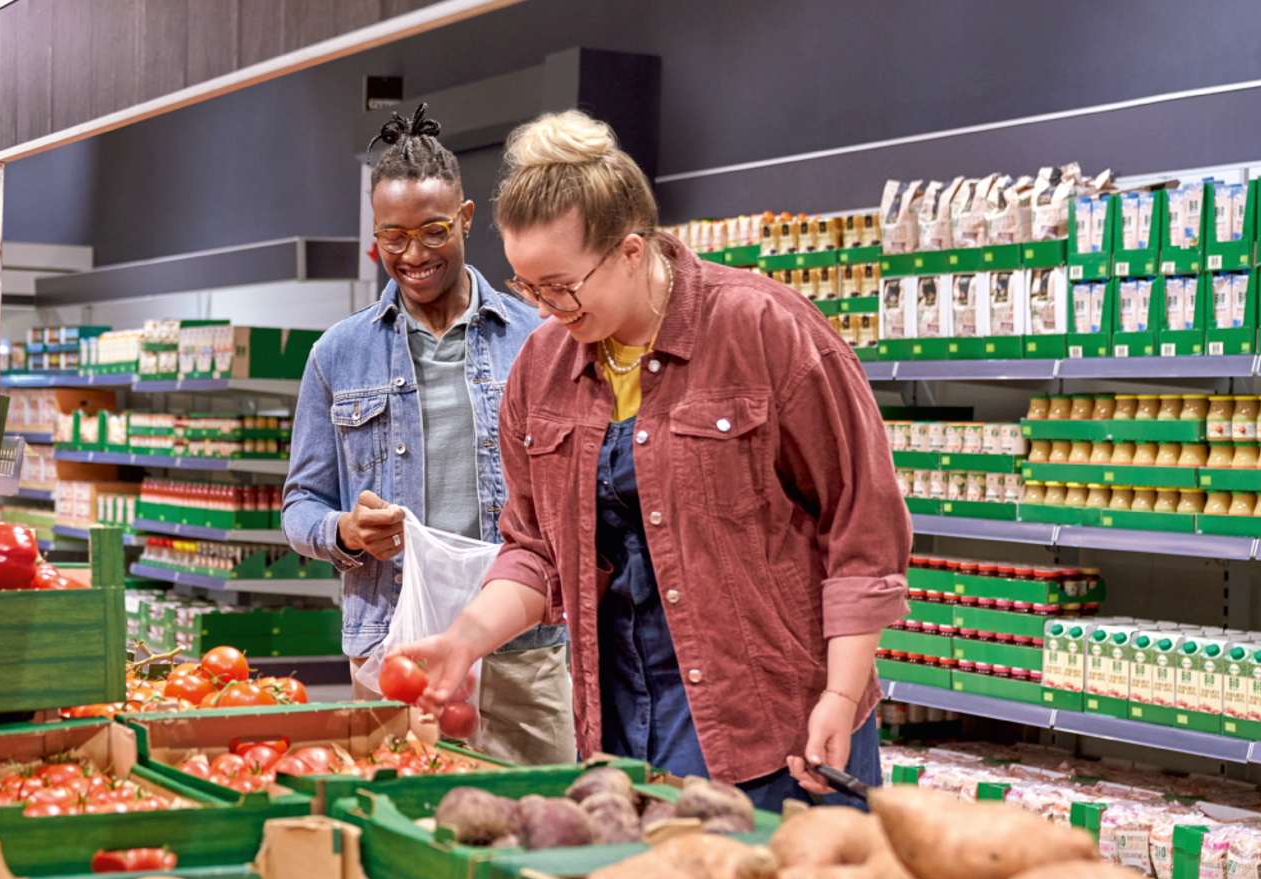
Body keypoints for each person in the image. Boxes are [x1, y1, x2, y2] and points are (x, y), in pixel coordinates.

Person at [398, 110, 910, 809]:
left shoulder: (765, 330)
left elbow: (864, 529)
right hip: (620, 730)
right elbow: (535, 553)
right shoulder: (542, 370)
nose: (548, 310)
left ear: (632, 252)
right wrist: (465, 639)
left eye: (562, 285)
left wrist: (842, 694)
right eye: (528, 288)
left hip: (774, 727)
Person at [283, 105, 576, 765]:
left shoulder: (543, 341)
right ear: (376, 237)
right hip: (395, 649)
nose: (413, 255)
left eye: (434, 231)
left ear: (467, 220)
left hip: (521, 657)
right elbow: (300, 506)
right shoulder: (339, 355)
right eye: (394, 237)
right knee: (406, 825)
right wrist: (347, 534)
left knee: (541, 828)